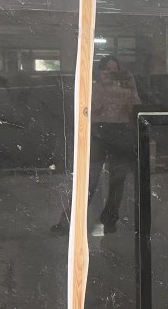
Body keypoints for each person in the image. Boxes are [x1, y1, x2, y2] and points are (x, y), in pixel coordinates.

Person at [53, 55, 140, 236]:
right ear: (99, 72)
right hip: (98, 134)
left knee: (117, 180)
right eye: (106, 69)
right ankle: (69, 220)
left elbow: (136, 108)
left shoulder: (124, 90)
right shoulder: (93, 89)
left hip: (120, 133)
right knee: (89, 179)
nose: (109, 72)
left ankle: (110, 219)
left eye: (114, 70)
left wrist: (131, 86)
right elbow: (85, 111)